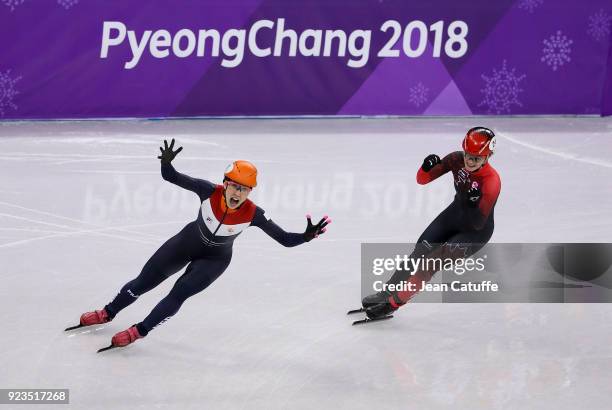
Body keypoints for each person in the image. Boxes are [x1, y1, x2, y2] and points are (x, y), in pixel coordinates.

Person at [72, 139, 331, 348]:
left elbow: (285, 240)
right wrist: (166, 164)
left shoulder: (254, 213)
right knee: (143, 282)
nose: (237, 193)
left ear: (251, 192)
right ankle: (108, 312)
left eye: (244, 189)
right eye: (234, 187)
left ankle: (140, 330)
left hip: (214, 261)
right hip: (187, 243)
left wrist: (306, 236)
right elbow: (171, 177)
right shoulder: (208, 191)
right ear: (225, 183)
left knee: (179, 293)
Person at [362, 127, 501, 319]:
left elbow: (477, 223)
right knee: (420, 250)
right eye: (468, 155)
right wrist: (425, 168)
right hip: (456, 214)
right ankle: (386, 293)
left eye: (476, 158)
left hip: (477, 231)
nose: (469, 161)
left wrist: (472, 203)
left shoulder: (492, 182)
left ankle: (393, 304)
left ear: (488, 156)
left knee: (431, 263)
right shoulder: (455, 159)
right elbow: (422, 180)